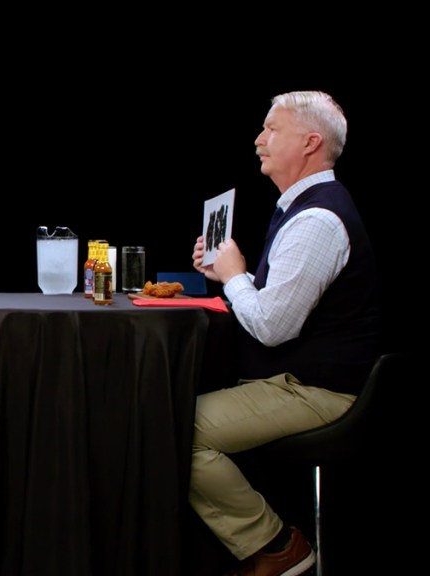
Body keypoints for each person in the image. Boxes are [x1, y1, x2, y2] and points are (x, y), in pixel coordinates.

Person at [190, 91, 380, 575]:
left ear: (311, 141)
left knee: (176, 427)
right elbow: (285, 307)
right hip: (297, 381)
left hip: (317, 390)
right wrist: (233, 276)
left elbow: (273, 328)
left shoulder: (317, 219)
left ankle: (276, 548)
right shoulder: (303, 210)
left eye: (272, 129)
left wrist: (235, 276)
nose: (259, 140)